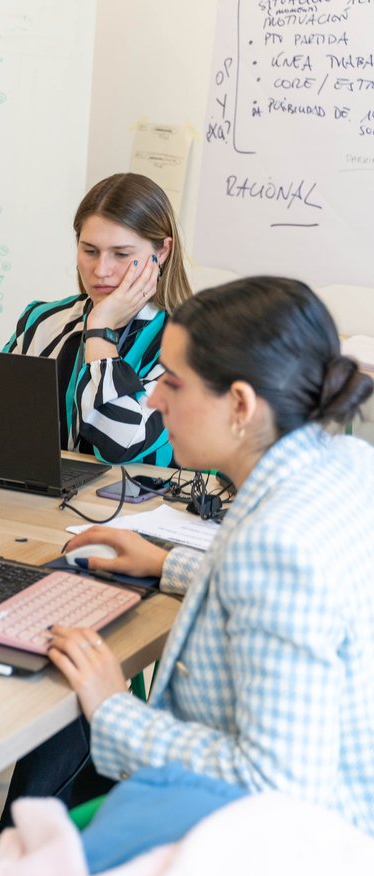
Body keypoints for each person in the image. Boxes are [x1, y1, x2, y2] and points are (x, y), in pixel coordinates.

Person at [52, 276, 374, 833]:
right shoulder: (345, 461)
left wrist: (112, 709)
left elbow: (274, 785)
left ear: (241, 405)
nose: (153, 398)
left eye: (172, 383)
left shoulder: (277, 543)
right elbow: (299, 597)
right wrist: (164, 563)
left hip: (286, 859)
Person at [4, 173, 192, 466]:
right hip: (46, 507)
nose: (101, 270)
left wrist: (100, 329)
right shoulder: (40, 322)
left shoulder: (193, 344)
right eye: (89, 251)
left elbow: (118, 446)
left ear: (162, 251)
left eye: (121, 254)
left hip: (148, 508)